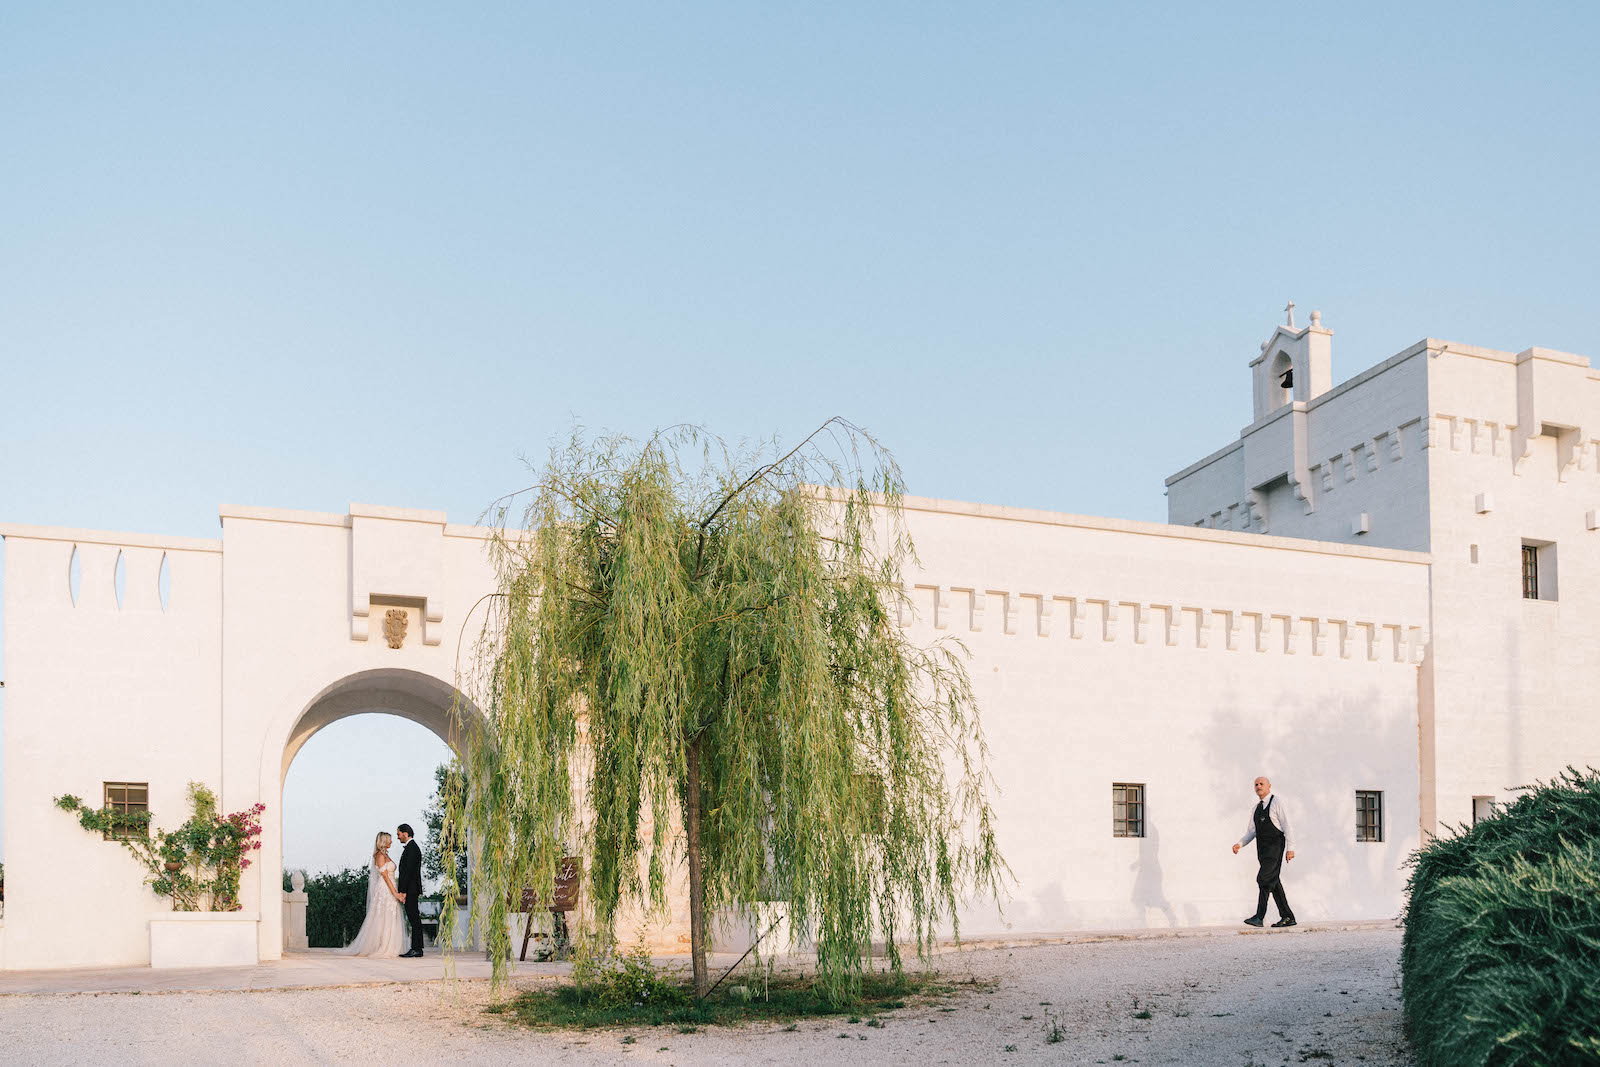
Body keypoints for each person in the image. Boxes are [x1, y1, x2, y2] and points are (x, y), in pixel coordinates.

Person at [1232, 775, 1296, 928]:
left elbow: (1287, 826)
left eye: (1261, 784)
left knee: (1263, 879)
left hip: (1275, 849)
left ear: (1269, 786)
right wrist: (1239, 844)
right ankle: (1288, 917)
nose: (1258, 786)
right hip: (1262, 852)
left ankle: (1259, 917)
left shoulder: (1277, 802)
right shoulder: (1256, 809)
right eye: (1256, 784)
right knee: (1273, 882)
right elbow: (1251, 832)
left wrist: (1290, 849)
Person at [337, 831, 408, 957]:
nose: (392, 841)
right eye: (389, 839)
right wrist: (395, 894)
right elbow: (385, 877)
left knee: (391, 915)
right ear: (384, 841)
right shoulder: (380, 856)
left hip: (391, 885)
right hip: (386, 889)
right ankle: (383, 946)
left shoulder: (386, 855)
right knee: (384, 916)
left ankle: (391, 944)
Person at [396, 823, 425, 958]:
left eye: (399, 834)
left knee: (414, 919)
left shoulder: (412, 848)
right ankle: (417, 948)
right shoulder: (411, 848)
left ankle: (417, 948)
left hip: (411, 889)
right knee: (414, 918)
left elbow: (408, 872)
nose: (398, 837)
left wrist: (403, 891)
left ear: (406, 833)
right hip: (411, 889)